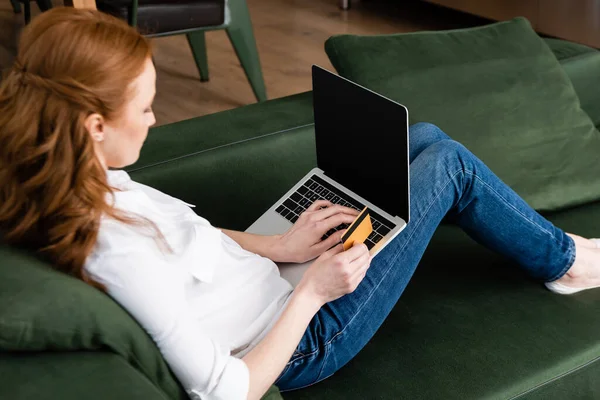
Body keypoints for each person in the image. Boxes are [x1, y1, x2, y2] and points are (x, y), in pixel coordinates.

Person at [1, 6, 600, 400]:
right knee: (449, 167)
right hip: (305, 338)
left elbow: (187, 234)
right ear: (93, 125)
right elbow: (226, 390)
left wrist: (276, 244)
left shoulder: (81, 179)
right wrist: (314, 289)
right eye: (146, 108)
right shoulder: (115, 253)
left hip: (277, 274)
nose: (156, 120)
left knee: (420, 141)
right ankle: (566, 264)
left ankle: (556, 251)